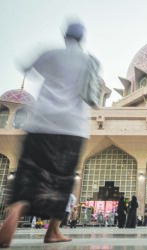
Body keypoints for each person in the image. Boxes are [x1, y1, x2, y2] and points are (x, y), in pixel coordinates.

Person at [0, 21, 98, 247]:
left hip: (41, 122)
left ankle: (16, 210)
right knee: (62, 179)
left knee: (29, 172)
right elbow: (92, 96)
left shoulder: (50, 53)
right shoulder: (89, 61)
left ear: (65, 36)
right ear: (82, 39)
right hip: (72, 126)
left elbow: (25, 67)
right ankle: (53, 231)